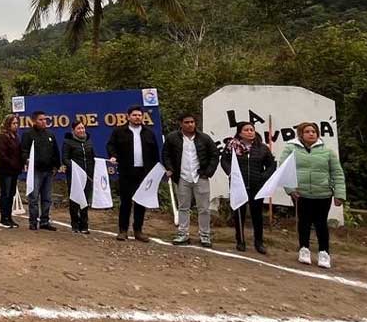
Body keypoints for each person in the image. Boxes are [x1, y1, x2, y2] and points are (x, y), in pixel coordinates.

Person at [281, 121, 346, 269]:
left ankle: (324, 252)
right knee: (303, 222)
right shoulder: (291, 149)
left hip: (323, 194)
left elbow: (337, 172)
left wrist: (339, 194)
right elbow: (283, 168)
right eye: (307, 131)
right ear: (301, 134)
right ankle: (304, 249)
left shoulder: (327, 151)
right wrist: (290, 189)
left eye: (314, 132)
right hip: (301, 194)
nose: (311, 134)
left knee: (321, 223)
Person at [162, 113, 220, 247]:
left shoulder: (204, 138)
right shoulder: (172, 138)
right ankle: (183, 233)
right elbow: (166, 155)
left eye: (192, 122)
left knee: (204, 208)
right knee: (183, 207)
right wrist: (170, 168)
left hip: (200, 177)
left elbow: (214, 155)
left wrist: (208, 172)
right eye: (187, 122)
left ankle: (205, 235)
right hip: (182, 177)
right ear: (181, 123)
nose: (190, 125)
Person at [220, 121, 276, 254]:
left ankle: (259, 242)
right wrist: (230, 173)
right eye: (246, 130)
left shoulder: (262, 148)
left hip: (257, 185)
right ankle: (240, 240)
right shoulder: (232, 146)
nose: (250, 132)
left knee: (257, 214)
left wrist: (263, 177)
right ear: (240, 132)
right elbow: (224, 160)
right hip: (238, 184)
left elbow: (271, 165)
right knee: (239, 213)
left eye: (252, 130)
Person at [107, 106, 157, 242]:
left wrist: (154, 171)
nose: (137, 117)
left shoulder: (149, 133)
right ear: (128, 116)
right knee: (126, 202)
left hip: (144, 172)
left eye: (139, 115)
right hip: (126, 171)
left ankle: (138, 231)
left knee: (141, 202)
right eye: (134, 115)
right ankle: (123, 231)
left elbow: (154, 153)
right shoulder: (119, 131)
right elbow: (111, 146)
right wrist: (113, 156)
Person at [21, 110, 59, 232]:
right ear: (34, 121)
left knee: (47, 198)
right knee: (34, 197)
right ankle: (33, 221)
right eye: (40, 120)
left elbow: (55, 151)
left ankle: (45, 221)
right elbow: (24, 150)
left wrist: (56, 166)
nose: (43, 122)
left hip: (48, 170)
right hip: (36, 171)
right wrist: (26, 160)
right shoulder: (29, 135)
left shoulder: (50, 134)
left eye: (45, 119)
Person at [62, 119, 95, 234]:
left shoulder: (88, 141)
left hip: (87, 176)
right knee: (75, 199)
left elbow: (92, 157)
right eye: (79, 128)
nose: (81, 130)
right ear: (73, 130)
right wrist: (74, 167)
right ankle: (75, 224)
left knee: (85, 199)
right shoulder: (68, 142)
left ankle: (84, 225)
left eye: (82, 128)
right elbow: (65, 158)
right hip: (74, 176)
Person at [0, 114, 22, 229]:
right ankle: (3, 218)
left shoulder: (16, 136)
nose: (16, 126)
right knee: (5, 193)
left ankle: (9, 217)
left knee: (11, 193)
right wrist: (12, 163)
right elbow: (2, 154)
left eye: (17, 123)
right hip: (5, 169)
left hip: (14, 170)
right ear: (8, 124)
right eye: (13, 123)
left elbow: (19, 152)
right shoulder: (2, 136)